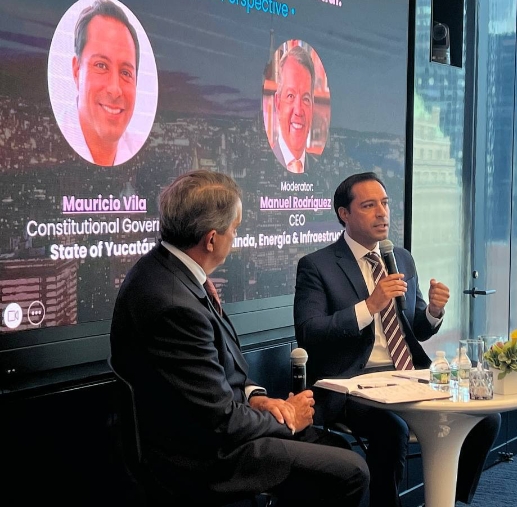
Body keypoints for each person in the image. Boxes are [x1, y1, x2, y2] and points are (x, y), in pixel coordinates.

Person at [110, 170, 369, 506]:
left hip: (211, 431)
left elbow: (218, 378)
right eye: (235, 229)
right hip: (203, 459)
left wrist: (256, 397)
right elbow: (220, 422)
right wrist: (287, 418)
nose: (235, 237)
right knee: (350, 471)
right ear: (211, 239)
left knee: (334, 448)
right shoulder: (175, 304)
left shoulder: (169, 270)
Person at [294, 172, 501, 507]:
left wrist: (433, 311)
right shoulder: (317, 266)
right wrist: (369, 306)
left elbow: (416, 328)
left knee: (485, 417)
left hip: (408, 374)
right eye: (369, 205)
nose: (382, 213)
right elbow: (310, 333)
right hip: (353, 383)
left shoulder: (400, 257)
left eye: (385, 203)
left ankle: (449, 499)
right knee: (392, 429)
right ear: (344, 214)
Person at [70, 0, 141, 166]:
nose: (115, 90)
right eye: (101, 66)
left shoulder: (139, 150)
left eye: (126, 73)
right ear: (77, 71)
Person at [273, 45, 315, 174]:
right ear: (278, 104)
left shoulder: (318, 169)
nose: (298, 110)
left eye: (306, 99)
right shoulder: (261, 164)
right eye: (290, 96)